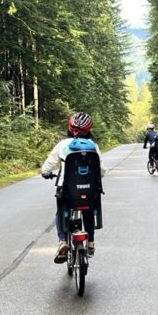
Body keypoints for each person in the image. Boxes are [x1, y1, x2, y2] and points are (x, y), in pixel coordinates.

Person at [41, 112, 102, 263]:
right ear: (88, 130)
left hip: (67, 191)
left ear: (69, 126)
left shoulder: (62, 145)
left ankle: (63, 241)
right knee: (88, 209)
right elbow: (102, 171)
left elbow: (46, 168)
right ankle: (91, 243)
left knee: (61, 211)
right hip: (89, 191)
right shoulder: (93, 146)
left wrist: (46, 174)